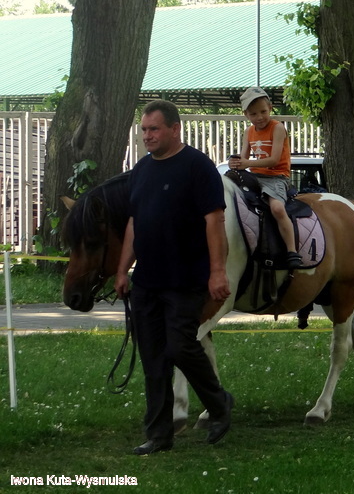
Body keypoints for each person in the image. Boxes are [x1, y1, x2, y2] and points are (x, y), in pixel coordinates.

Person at [114, 100, 234, 455]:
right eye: (144, 130)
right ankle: (159, 435)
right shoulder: (141, 170)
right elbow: (134, 223)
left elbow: (215, 221)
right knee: (153, 359)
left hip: (186, 279)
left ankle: (219, 404)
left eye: (154, 129)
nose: (147, 136)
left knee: (180, 345)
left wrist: (217, 272)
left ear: (174, 129)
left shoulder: (198, 167)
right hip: (147, 281)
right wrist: (122, 270)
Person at [228, 86, 302, 268]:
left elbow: (274, 160)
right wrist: (236, 163)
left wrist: (247, 163)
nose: (259, 117)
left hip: (276, 177)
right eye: (253, 114)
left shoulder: (277, 128)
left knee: (277, 208)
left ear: (270, 107)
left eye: (263, 111)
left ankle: (292, 250)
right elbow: (244, 158)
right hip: (255, 176)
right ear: (246, 115)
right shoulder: (249, 131)